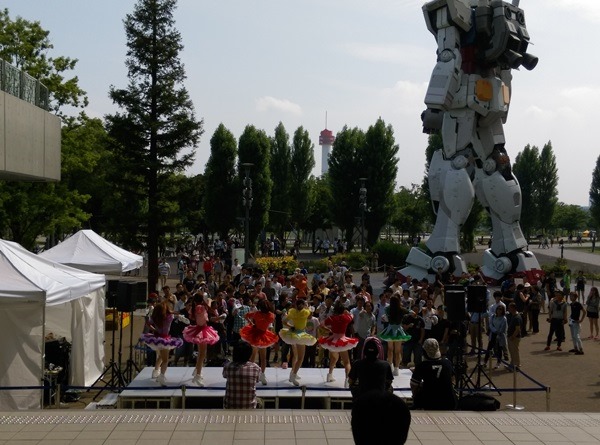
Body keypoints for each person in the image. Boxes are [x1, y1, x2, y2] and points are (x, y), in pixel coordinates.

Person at [139, 300, 183, 386]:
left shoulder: (155, 318)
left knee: (161, 356)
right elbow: (174, 313)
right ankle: (161, 376)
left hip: (157, 338)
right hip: (164, 339)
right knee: (165, 360)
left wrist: (154, 330)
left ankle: (155, 371)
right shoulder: (169, 317)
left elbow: (148, 323)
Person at [182, 293, 220, 386]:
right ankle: (197, 375)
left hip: (201, 329)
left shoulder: (196, 307)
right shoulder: (200, 307)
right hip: (202, 330)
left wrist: (207, 301)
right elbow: (209, 310)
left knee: (201, 353)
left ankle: (197, 370)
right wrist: (208, 301)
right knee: (202, 354)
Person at [318, 301, 359, 386]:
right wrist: (347, 312)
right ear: (343, 310)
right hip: (342, 340)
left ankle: (329, 375)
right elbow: (352, 316)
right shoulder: (346, 318)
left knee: (333, 358)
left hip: (333, 340)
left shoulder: (331, 318)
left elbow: (321, 324)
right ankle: (347, 381)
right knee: (346, 362)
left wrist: (328, 330)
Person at [410, 338, 457, 410]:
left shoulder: (422, 365)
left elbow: (413, 385)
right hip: (449, 401)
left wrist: (415, 397)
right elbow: (453, 380)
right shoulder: (447, 363)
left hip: (429, 402)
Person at [240, 299, 278, 385]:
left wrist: (251, 323)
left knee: (253, 356)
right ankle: (262, 375)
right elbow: (269, 322)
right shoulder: (271, 315)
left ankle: (251, 374)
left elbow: (246, 316)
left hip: (255, 334)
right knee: (263, 358)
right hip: (263, 335)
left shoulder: (257, 313)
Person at [279, 298, 317, 386]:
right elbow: (311, 312)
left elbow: (284, 321)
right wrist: (307, 306)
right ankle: (293, 375)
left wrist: (290, 326)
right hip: (301, 335)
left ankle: (293, 372)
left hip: (293, 334)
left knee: (295, 355)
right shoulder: (305, 312)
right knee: (300, 358)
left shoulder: (292, 312)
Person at [222, 341, 261, 409]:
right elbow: (257, 380)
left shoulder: (228, 366)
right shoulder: (255, 368)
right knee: (260, 401)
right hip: (249, 407)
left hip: (230, 406)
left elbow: (224, 375)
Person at [378, 295, 411, 374]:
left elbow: (384, 317)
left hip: (390, 330)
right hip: (398, 330)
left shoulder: (388, 309)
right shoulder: (401, 309)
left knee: (390, 350)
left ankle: (390, 366)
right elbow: (411, 312)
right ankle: (396, 368)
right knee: (397, 351)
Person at [483, 305, 507, 369]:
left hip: (500, 335)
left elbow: (503, 328)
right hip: (493, 334)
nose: (499, 310)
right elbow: (490, 324)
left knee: (499, 349)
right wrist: (494, 330)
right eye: (498, 309)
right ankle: (485, 362)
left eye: (500, 309)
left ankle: (498, 362)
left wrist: (498, 332)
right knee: (489, 348)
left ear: (503, 311)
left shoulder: (504, 318)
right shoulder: (493, 316)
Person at [506, 302, 523, 370]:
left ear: (513, 308)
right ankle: (512, 363)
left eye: (509, 308)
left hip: (514, 338)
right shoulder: (512, 315)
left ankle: (516, 365)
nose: (508, 309)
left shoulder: (517, 317)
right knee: (511, 351)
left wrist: (512, 336)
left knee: (515, 351)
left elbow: (517, 329)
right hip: (510, 336)